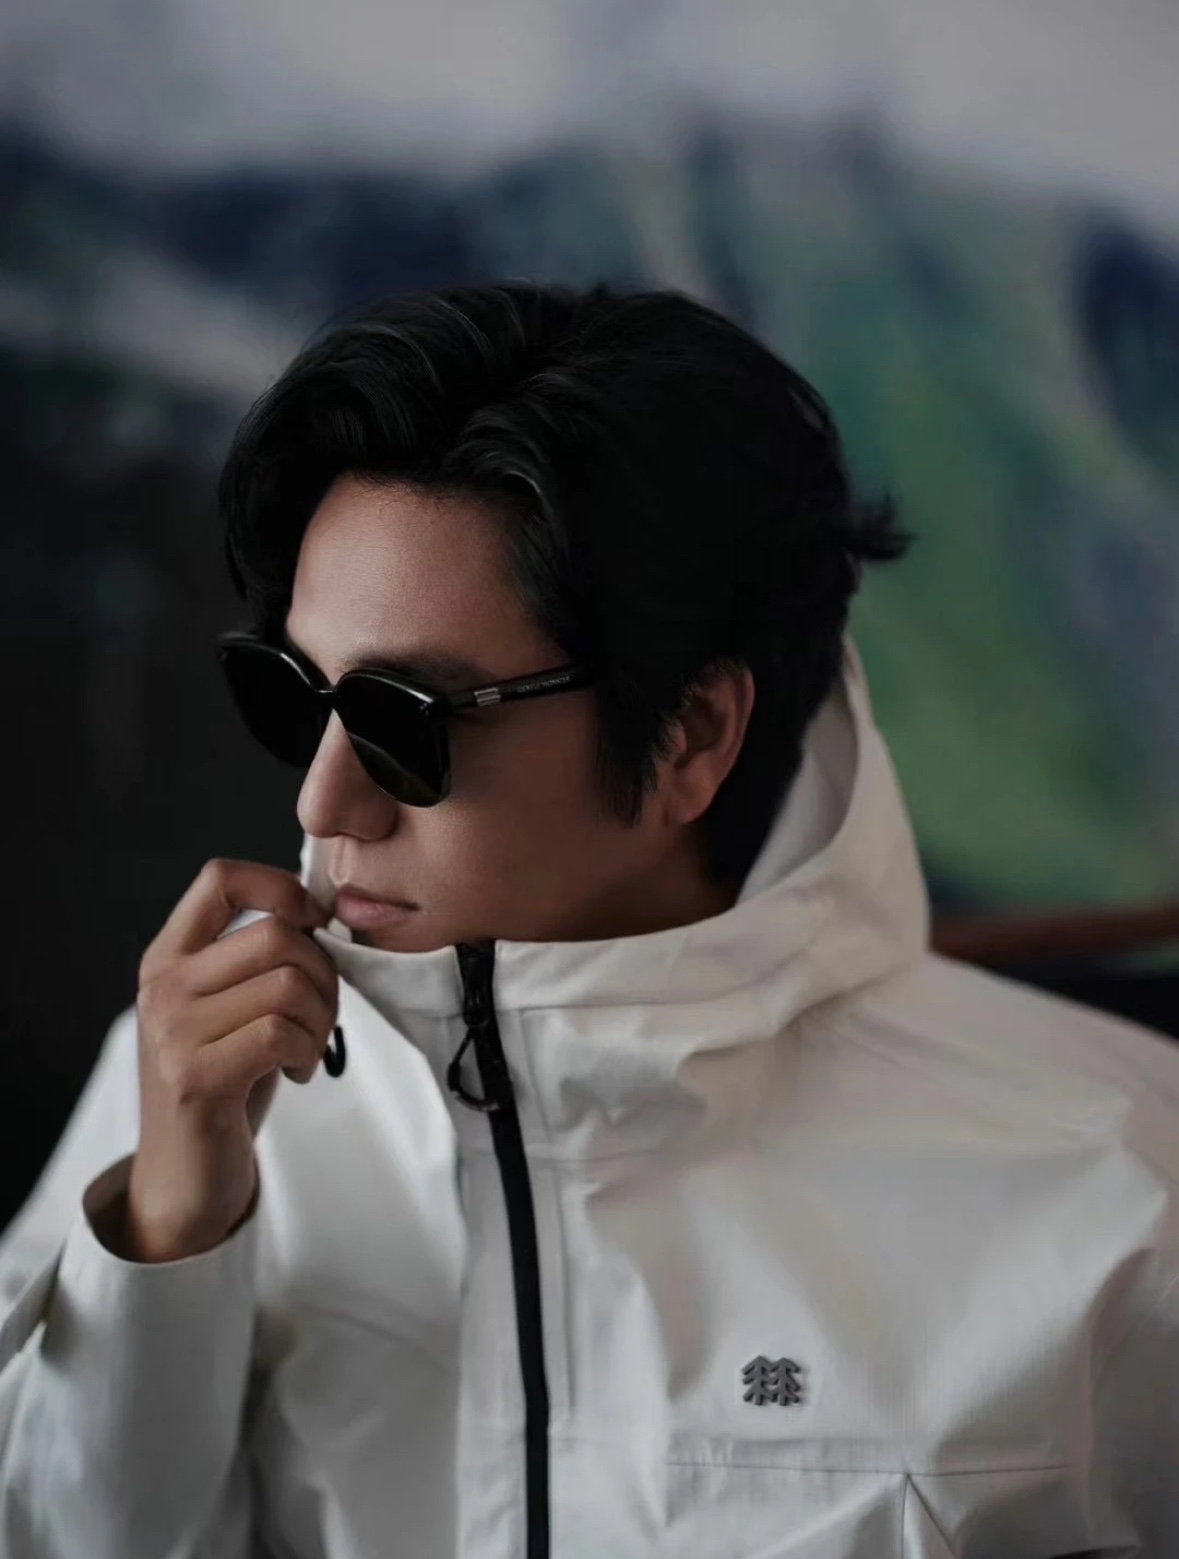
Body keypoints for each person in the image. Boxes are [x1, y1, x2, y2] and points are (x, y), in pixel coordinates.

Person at [1, 282, 1176, 1559]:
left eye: (406, 718)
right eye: (296, 693)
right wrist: (168, 1234)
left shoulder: (1125, 1194)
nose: (321, 799)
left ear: (690, 734)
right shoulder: (190, 1080)